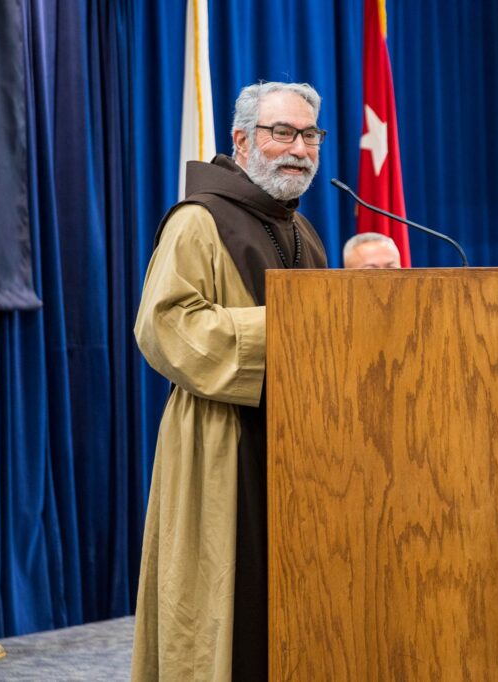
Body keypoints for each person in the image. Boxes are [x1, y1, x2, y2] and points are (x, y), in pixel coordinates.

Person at [131, 81, 328, 681]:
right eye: (283, 133)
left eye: (309, 135)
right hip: (219, 442)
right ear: (242, 140)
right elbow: (165, 324)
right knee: (223, 609)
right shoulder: (199, 221)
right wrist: (290, 333)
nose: (298, 149)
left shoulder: (302, 231)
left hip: (299, 445)